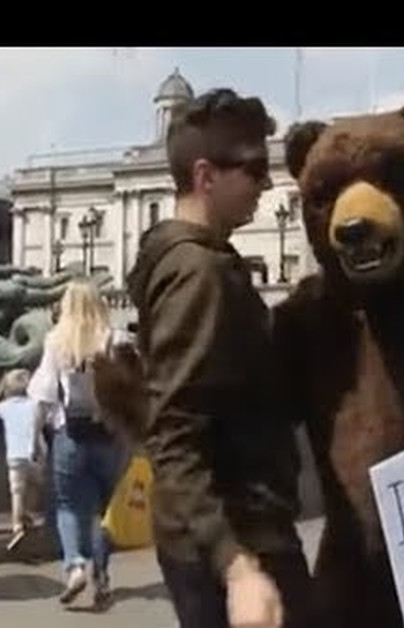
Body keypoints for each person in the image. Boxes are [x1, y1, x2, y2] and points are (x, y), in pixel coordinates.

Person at [126, 87, 316, 628]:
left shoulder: (196, 261)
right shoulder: (198, 274)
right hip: (238, 534)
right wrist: (237, 568)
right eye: (254, 169)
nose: (267, 183)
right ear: (206, 176)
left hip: (221, 531)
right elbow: (174, 434)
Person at [26, 281, 127, 610]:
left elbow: (42, 394)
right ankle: (101, 575)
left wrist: (33, 440)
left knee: (69, 506)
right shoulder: (116, 339)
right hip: (109, 434)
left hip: (71, 432)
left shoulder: (57, 341)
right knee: (104, 510)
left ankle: (75, 567)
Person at [0, 368, 45, 552]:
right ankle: (31, 514)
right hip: (35, 454)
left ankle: (17, 525)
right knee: (35, 485)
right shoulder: (35, 405)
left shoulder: (5, 406)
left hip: (15, 456)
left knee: (17, 491)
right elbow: (45, 419)